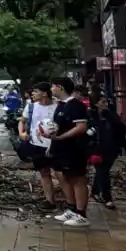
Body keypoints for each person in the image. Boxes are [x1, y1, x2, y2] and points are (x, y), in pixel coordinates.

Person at [48, 78, 92, 227]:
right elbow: (57, 127)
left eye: (53, 86)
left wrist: (61, 137)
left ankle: (81, 214)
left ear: (60, 87)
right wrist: (51, 142)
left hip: (74, 149)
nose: (51, 89)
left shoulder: (76, 106)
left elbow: (81, 127)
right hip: (60, 148)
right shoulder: (61, 106)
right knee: (63, 177)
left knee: (77, 179)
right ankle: (71, 208)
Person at [16, 82, 59, 213]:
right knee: (44, 173)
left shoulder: (58, 107)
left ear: (45, 93)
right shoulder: (31, 107)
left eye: (35, 91)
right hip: (37, 145)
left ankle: (71, 202)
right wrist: (22, 133)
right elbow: (22, 121)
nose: (32, 94)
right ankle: (50, 201)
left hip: (56, 144)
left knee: (61, 174)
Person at [90, 95, 126, 209]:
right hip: (96, 150)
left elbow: (121, 131)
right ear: (96, 104)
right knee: (103, 172)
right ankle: (107, 197)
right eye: (102, 102)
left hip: (111, 149)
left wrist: (125, 148)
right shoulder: (92, 116)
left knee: (103, 171)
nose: (106, 104)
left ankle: (96, 191)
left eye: (106, 102)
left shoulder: (111, 116)